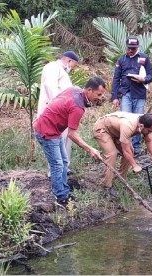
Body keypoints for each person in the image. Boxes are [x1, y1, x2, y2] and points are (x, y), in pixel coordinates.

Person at [34, 77, 105, 206]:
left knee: (64, 161)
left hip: (55, 130)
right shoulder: (78, 107)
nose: (100, 98)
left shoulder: (75, 90)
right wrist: (90, 149)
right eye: (98, 94)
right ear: (89, 90)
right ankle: (61, 198)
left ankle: (64, 191)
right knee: (57, 165)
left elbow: (56, 100)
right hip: (46, 131)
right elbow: (72, 134)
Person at [92, 112, 152, 197]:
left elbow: (149, 140)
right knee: (112, 154)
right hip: (103, 129)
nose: (150, 132)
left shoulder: (146, 124)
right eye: (149, 131)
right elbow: (126, 151)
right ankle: (107, 186)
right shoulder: (128, 125)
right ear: (141, 126)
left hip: (116, 132)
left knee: (131, 151)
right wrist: (135, 166)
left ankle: (120, 179)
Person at [110, 36, 152, 156]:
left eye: (133, 49)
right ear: (126, 47)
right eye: (129, 48)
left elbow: (151, 75)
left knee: (139, 120)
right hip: (125, 93)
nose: (130, 51)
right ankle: (124, 146)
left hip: (139, 93)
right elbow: (116, 79)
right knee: (125, 120)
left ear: (137, 48)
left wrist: (144, 79)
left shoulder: (144, 58)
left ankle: (136, 146)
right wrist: (114, 97)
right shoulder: (121, 60)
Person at [37, 51, 80, 173]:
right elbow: (50, 86)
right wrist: (58, 107)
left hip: (63, 113)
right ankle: (55, 171)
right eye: (73, 66)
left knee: (65, 139)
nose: (72, 68)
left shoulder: (62, 71)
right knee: (55, 141)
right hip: (54, 112)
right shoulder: (52, 67)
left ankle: (64, 167)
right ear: (68, 61)